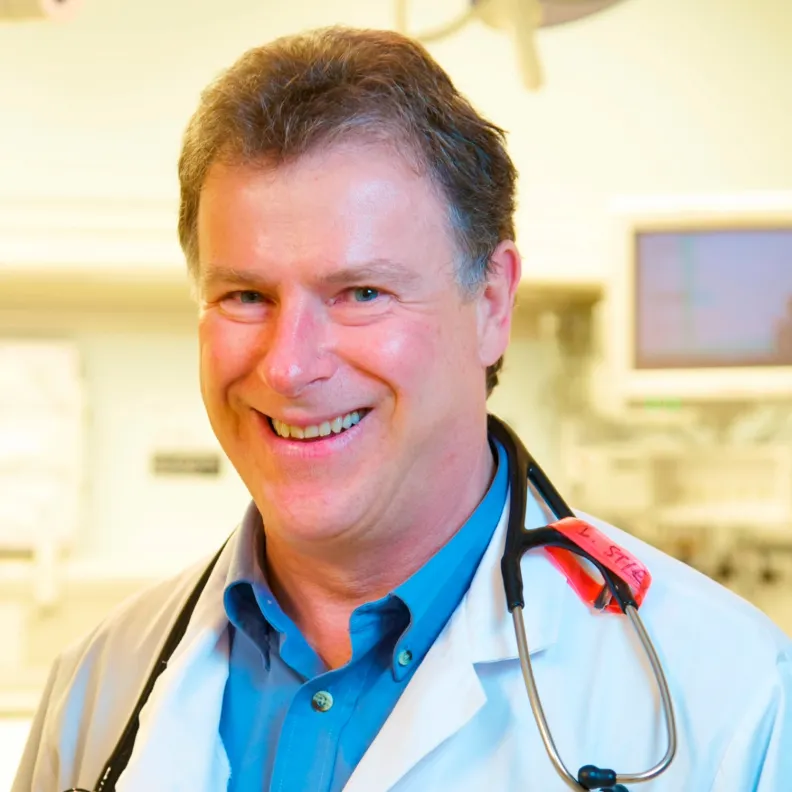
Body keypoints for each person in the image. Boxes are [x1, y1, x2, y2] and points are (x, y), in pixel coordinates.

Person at [13, 26, 792, 792]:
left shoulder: (733, 701)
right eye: (245, 295)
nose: (288, 366)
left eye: (361, 293)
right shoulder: (99, 688)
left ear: (492, 302)